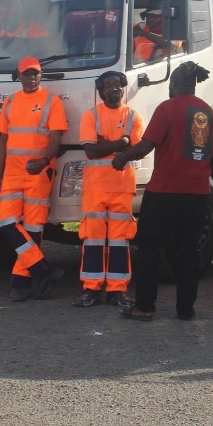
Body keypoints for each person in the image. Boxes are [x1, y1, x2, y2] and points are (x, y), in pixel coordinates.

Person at [113, 61, 213, 321]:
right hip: (197, 194)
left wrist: (122, 158)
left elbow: (146, 146)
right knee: (188, 251)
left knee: (149, 248)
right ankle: (186, 309)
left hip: (165, 193)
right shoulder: (207, 113)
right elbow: (211, 153)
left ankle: (145, 307)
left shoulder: (167, 108)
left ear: (173, 84)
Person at [0, 56, 68, 302]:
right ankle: (43, 270)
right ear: (19, 76)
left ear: (40, 75)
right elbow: (3, 141)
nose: (31, 77)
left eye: (35, 73)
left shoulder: (51, 101)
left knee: (33, 228)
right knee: (4, 222)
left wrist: (44, 161)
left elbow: (57, 136)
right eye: (26, 73)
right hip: (13, 173)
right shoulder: (10, 101)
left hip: (38, 172)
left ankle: (21, 282)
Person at [74, 71, 146, 308]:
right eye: (109, 86)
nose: (114, 89)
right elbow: (90, 152)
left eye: (118, 84)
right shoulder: (91, 115)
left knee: (120, 241)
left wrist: (107, 144)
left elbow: (136, 150)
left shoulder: (134, 117)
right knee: (92, 240)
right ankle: (90, 289)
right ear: (101, 91)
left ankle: (118, 290)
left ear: (124, 87)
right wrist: (121, 143)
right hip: (95, 187)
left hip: (123, 187)